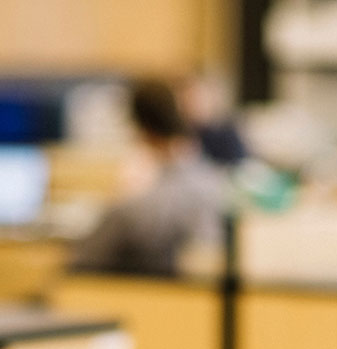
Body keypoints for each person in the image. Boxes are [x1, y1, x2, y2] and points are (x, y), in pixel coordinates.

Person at [70, 78, 230, 276]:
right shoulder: (210, 179)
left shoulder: (136, 205)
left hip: (144, 290)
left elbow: (84, 262)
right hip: (190, 293)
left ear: (141, 129)